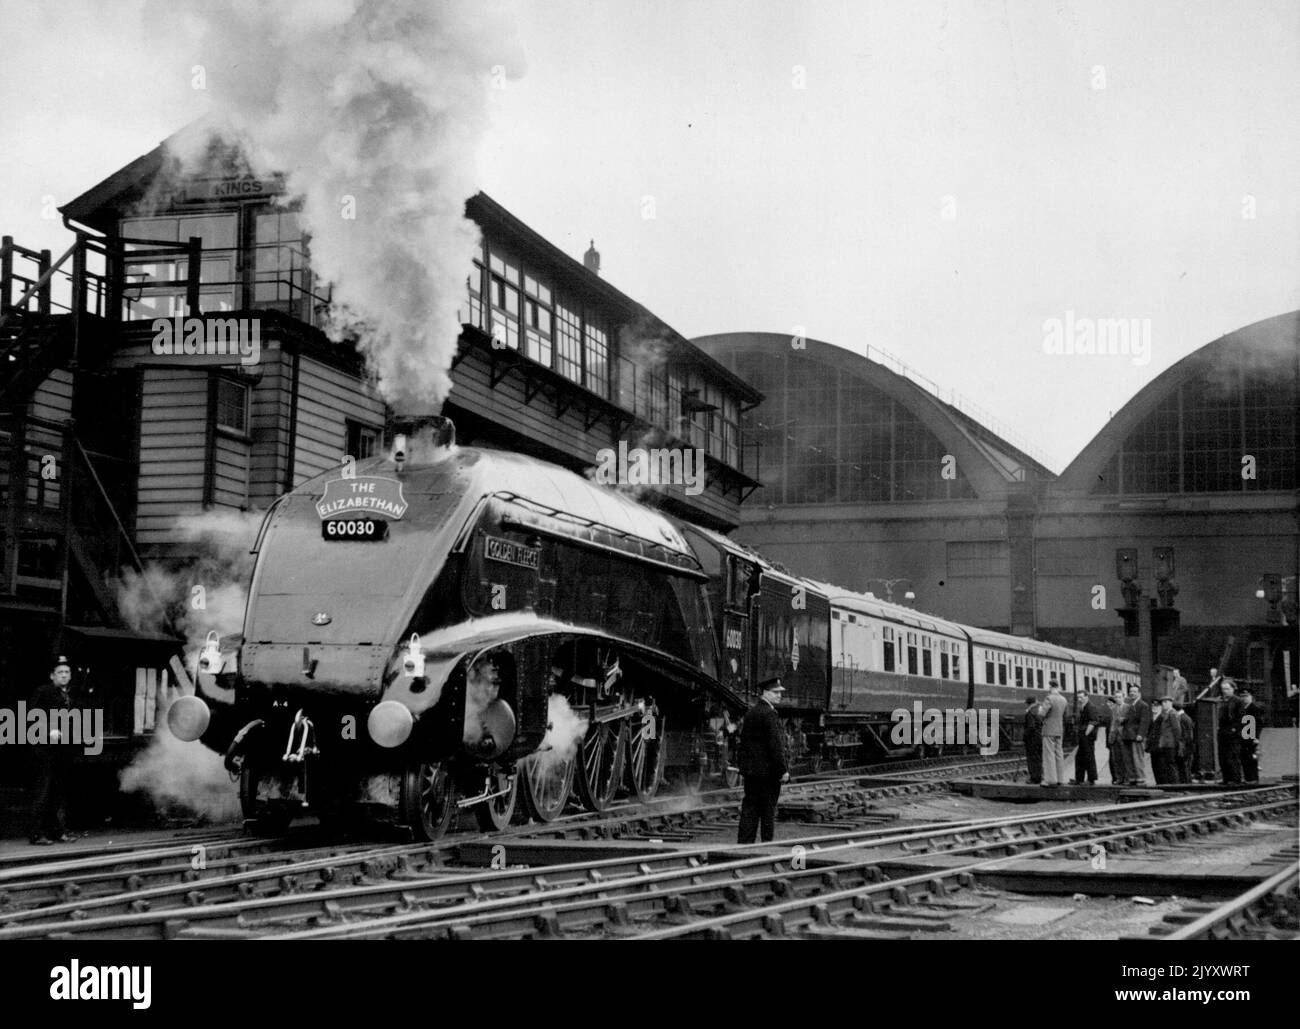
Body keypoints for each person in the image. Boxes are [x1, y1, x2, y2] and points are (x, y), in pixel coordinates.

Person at [27, 656, 78, 846]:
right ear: (52, 675)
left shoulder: (68, 695)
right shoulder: (43, 692)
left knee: (58, 792)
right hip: (44, 748)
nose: (64, 676)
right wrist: (48, 729)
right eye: (60, 673)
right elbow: (31, 715)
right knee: (43, 791)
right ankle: (37, 833)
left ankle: (57, 831)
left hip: (62, 750)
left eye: (67, 673)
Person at [736, 677, 789, 843]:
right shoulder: (770, 715)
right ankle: (767, 845)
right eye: (776, 692)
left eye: (780, 692)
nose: (779, 696)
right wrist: (783, 770)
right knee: (768, 812)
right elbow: (775, 746)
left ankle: (744, 844)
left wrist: (744, 766)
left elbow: (743, 742)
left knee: (749, 809)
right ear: (765, 693)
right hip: (768, 774)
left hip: (751, 773)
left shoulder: (751, 712)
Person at [1120, 685, 1152, 785]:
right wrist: (1124, 720)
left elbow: (1144, 721)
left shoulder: (1143, 705)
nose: (1132, 693)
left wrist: (1141, 734)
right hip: (1127, 736)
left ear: (1139, 693)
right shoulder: (1131, 705)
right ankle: (1132, 778)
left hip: (1136, 736)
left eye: (1134, 692)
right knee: (1128, 758)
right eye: (1130, 691)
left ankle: (1140, 778)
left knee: (1137, 758)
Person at [1037, 682, 1067, 786]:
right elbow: (1065, 715)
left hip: (1049, 729)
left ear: (1050, 687)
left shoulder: (1049, 698)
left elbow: (1042, 714)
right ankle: (1060, 779)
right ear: (1058, 687)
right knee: (1059, 754)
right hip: (1059, 729)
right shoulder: (1064, 700)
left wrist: (1040, 709)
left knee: (1048, 754)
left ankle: (1050, 780)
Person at [1071, 691, 1103, 785]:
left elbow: (1093, 721)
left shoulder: (1090, 707)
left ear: (1087, 696)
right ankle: (1079, 779)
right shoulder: (1083, 707)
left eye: (1081, 697)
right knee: (1080, 757)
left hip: (1087, 737)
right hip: (1084, 736)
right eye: (1078, 698)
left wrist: (1086, 734)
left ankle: (1091, 779)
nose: (1079, 699)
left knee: (1088, 757)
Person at [1146, 696, 1181, 784]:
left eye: (1166, 702)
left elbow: (1176, 729)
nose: (1164, 704)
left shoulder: (1172, 713)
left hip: (1170, 744)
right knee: (1168, 765)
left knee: (1171, 765)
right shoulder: (1167, 714)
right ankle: (1172, 784)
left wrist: (1176, 743)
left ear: (1171, 703)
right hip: (1166, 744)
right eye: (1163, 702)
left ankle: (1175, 785)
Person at [1216, 680, 1243, 785]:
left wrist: (1235, 730)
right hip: (1222, 731)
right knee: (1222, 756)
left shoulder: (1238, 701)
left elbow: (1241, 718)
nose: (1225, 691)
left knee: (1232, 756)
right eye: (1223, 689)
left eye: (1227, 689)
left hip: (1233, 732)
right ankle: (1226, 778)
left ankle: (1235, 779)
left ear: (1233, 689)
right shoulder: (1221, 701)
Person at [1237, 688, 1261, 784]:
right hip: (1243, 736)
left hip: (1251, 736)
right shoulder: (1241, 709)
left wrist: (1256, 737)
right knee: (1244, 757)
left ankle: (1253, 777)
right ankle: (1247, 777)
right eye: (1242, 696)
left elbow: (1259, 724)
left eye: (1246, 696)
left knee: (1251, 757)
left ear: (1251, 697)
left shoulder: (1254, 709)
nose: (1244, 698)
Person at [1106, 694, 1131, 785]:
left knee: (1125, 759)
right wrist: (1110, 735)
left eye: (1119, 697)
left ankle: (1127, 778)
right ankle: (1119, 778)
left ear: (1123, 697)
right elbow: (1112, 723)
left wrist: (1125, 719)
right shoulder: (1113, 709)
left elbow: (1131, 720)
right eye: (1116, 697)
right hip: (1114, 736)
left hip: (1124, 736)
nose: (1118, 699)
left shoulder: (1128, 707)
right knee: (1116, 759)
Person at [1023, 697, 1043, 784]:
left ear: (1028, 704)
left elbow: (1031, 727)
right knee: (1038, 759)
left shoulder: (1030, 713)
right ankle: (1039, 777)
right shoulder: (1038, 712)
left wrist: (1025, 736)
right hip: (1039, 738)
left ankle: (1034, 778)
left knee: (1032, 760)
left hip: (1032, 740)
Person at [1174, 702, 1196, 783]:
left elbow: (1187, 735)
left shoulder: (1183, 718)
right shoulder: (1185, 718)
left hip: (1185, 746)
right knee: (1184, 767)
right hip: (1186, 745)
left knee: (1184, 766)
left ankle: (1186, 783)